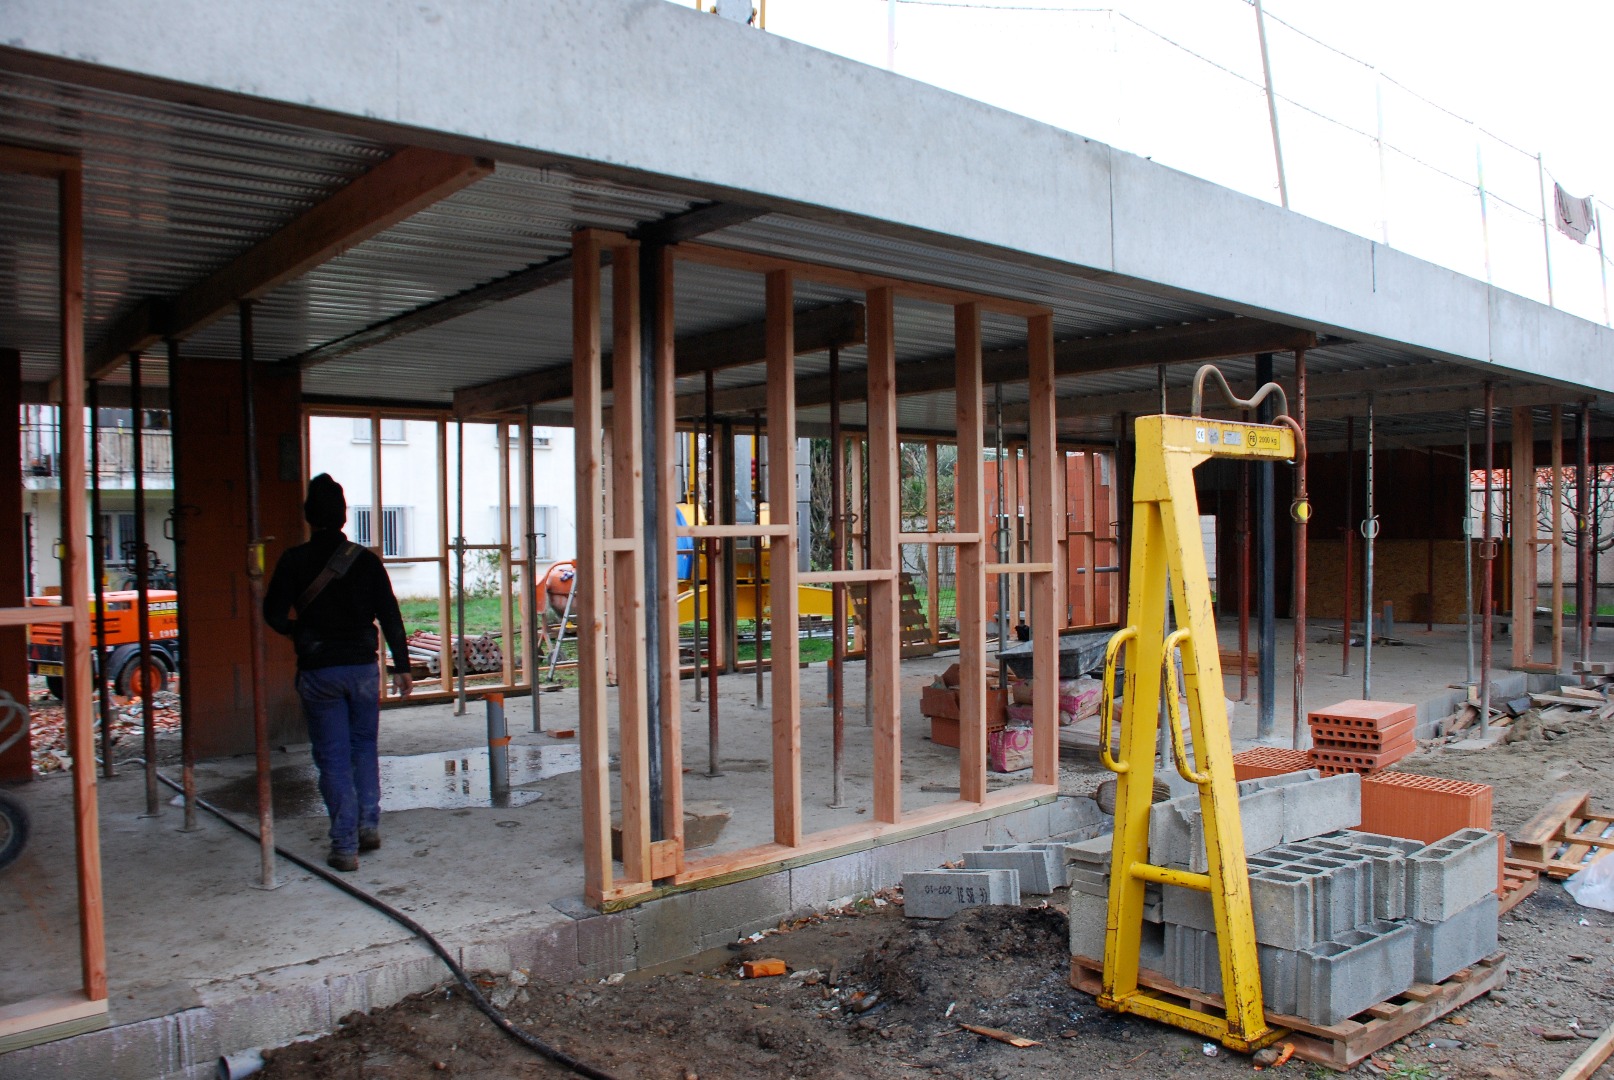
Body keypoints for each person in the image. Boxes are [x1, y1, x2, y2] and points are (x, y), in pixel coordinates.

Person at [263, 474, 413, 871]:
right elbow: (390, 614)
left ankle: (344, 846)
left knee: (331, 757)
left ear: (309, 516)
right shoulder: (365, 561)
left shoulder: (293, 561)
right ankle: (368, 825)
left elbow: (273, 615)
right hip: (363, 670)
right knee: (363, 747)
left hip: (320, 672)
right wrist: (401, 666)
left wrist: (302, 631)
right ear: (345, 517)